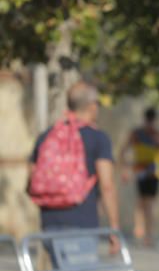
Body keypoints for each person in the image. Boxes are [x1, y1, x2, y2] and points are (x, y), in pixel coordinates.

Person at [29, 81, 120, 245]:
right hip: (83, 222)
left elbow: (32, 178)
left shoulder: (47, 136)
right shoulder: (98, 138)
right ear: (92, 106)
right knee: (80, 270)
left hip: (49, 222)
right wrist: (114, 227)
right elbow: (107, 186)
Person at [118, 107, 159, 246]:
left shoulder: (157, 136)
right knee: (142, 202)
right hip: (142, 171)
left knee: (147, 203)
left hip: (154, 173)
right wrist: (125, 169)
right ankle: (141, 231)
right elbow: (123, 151)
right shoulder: (138, 134)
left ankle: (146, 233)